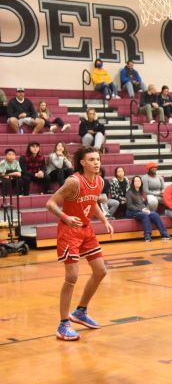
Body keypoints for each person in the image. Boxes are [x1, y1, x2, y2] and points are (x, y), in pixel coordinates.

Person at [45, 146, 114, 341]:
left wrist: (104, 220)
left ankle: (80, 311)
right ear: (82, 163)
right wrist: (65, 217)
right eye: (92, 159)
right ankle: (63, 324)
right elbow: (50, 203)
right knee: (72, 276)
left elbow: (92, 203)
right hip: (69, 231)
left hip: (86, 230)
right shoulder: (73, 182)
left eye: (98, 159)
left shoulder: (99, 181)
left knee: (100, 271)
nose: (96, 162)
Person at [126, 176, 170, 242]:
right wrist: (141, 210)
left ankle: (164, 234)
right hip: (132, 212)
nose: (138, 182)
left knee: (155, 214)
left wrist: (146, 209)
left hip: (142, 210)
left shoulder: (142, 192)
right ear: (133, 183)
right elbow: (129, 206)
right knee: (145, 215)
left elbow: (145, 203)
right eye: (136, 181)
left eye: (139, 181)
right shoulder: (129, 193)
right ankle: (147, 236)